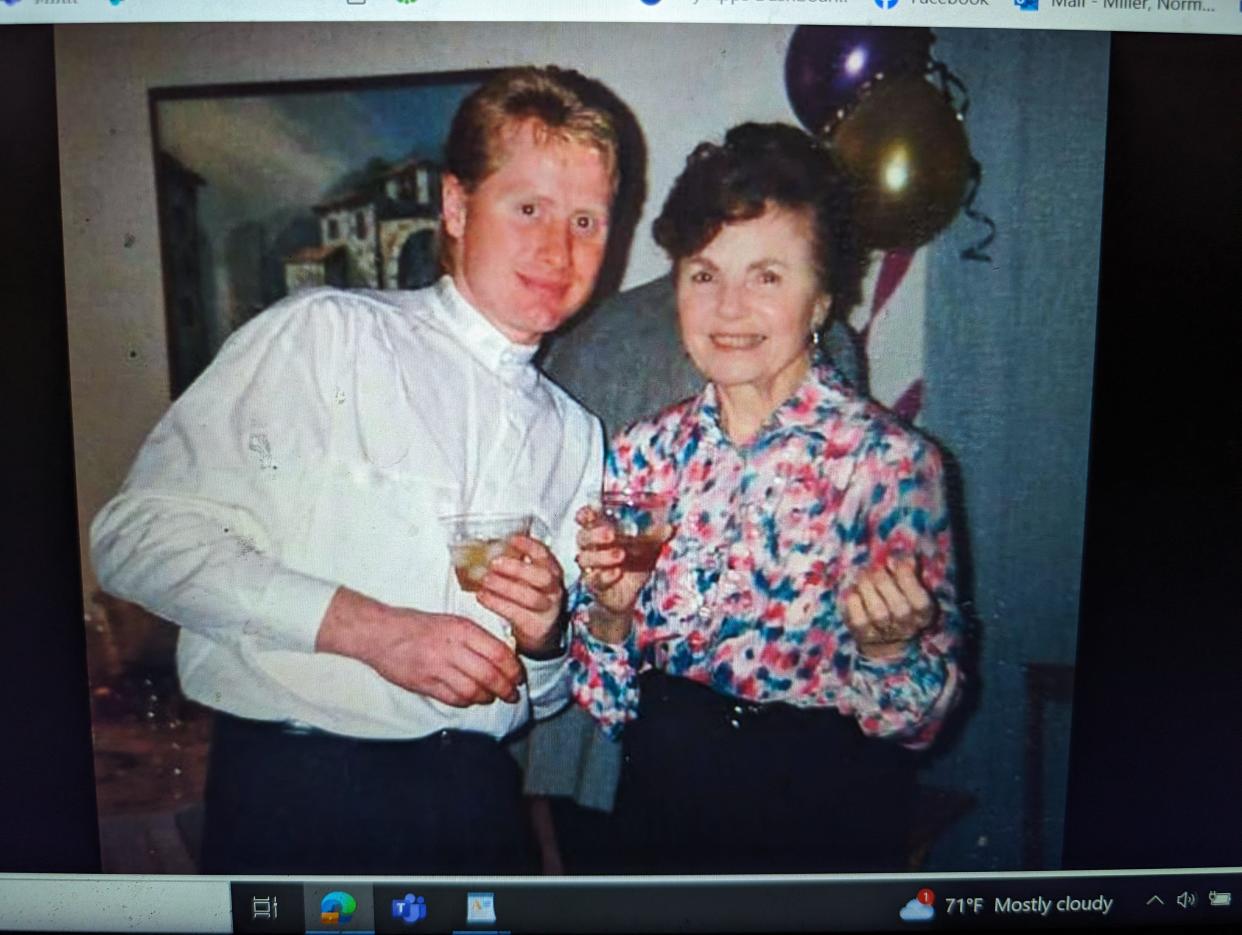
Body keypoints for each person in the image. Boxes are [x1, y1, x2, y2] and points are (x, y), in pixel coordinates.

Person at [90, 66, 623, 875]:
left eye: (586, 219)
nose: (559, 248)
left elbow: (543, 697)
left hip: (480, 810)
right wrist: (377, 632)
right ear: (455, 206)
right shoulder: (326, 335)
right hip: (304, 798)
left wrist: (546, 638)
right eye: (529, 208)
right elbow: (134, 539)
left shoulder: (578, 435)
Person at [569, 123, 966, 874]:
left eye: (767, 276)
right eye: (704, 273)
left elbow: (922, 725)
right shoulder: (641, 453)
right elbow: (610, 705)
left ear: (820, 299)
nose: (728, 307)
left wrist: (888, 650)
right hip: (662, 809)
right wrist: (612, 617)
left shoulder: (891, 466)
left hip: (819, 820)